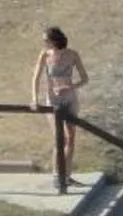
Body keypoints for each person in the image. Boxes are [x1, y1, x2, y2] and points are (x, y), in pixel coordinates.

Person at [32, 27, 88, 190]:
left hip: (69, 98)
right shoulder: (45, 55)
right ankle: (57, 175)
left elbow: (85, 79)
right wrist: (35, 99)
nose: (44, 43)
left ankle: (67, 175)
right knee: (60, 138)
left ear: (54, 40)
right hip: (53, 100)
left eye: (46, 40)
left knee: (71, 138)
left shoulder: (72, 54)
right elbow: (35, 77)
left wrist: (70, 86)